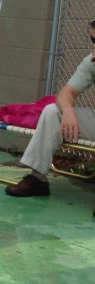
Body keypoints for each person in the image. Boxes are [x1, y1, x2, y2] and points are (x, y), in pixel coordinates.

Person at [5, 19, 95, 197]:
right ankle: (38, 179)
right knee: (53, 111)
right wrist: (68, 111)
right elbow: (66, 93)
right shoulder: (91, 61)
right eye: (93, 41)